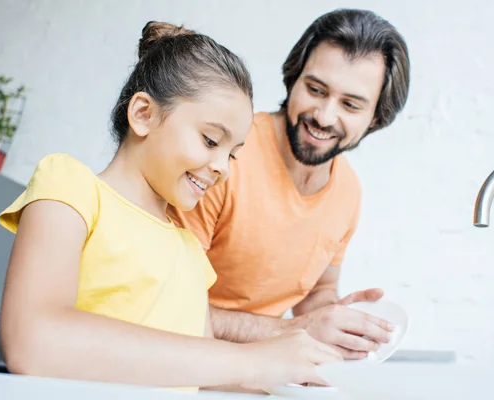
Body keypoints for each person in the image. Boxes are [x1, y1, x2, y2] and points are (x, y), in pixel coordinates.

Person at [0, 21, 341, 392]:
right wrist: (249, 360)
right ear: (143, 114)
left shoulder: (191, 255)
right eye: (211, 140)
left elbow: (208, 375)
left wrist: (299, 373)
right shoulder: (70, 187)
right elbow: (34, 342)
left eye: (233, 155)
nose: (223, 168)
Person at [168, 8, 411, 360]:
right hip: (184, 367)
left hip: (261, 373)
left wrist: (335, 317)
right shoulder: (223, 158)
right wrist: (295, 330)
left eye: (350, 104)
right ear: (293, 79)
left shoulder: (348, 191)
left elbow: (319, 288)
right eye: (315, 89)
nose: (325, 116)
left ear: (377, 117)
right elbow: (168, 305)